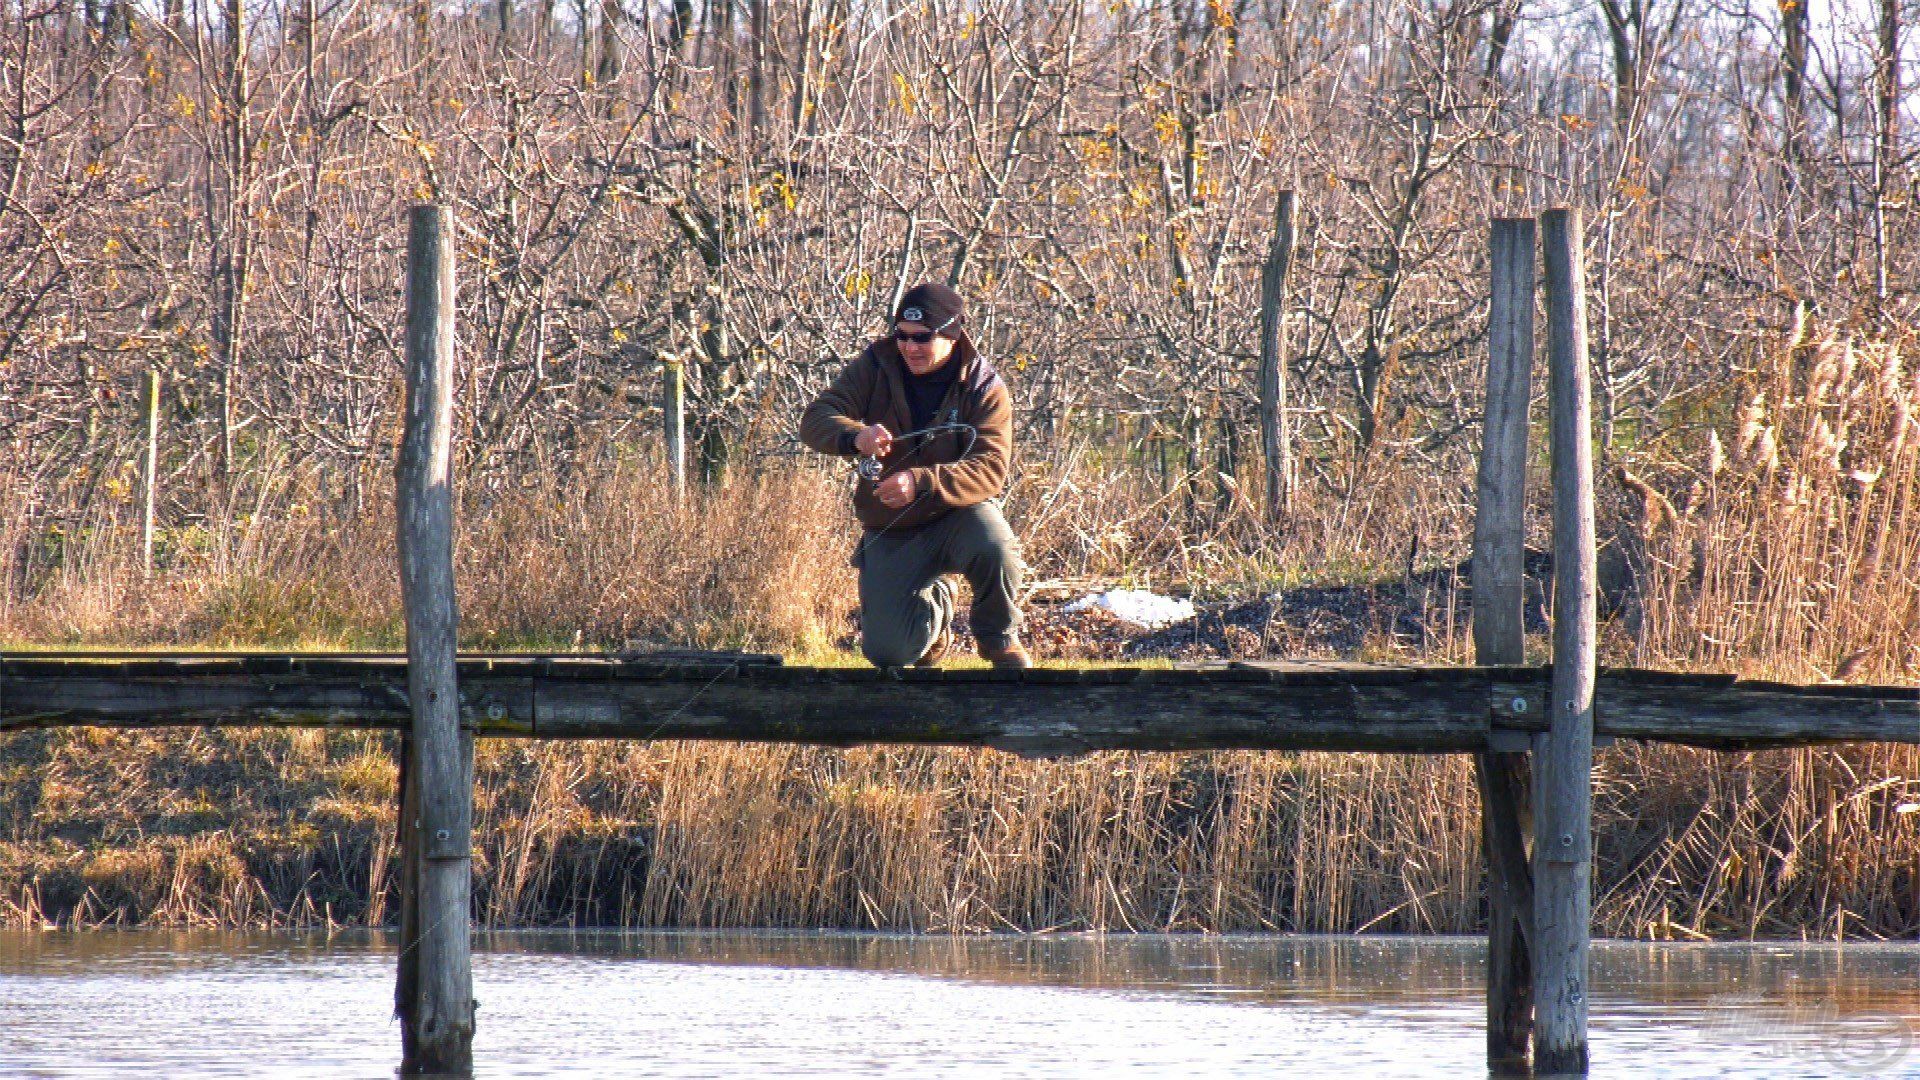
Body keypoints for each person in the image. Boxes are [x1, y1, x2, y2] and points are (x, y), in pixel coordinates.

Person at [799, 283, 1031, 669]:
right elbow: (815, 419)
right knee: (888, 654)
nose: (909, 348)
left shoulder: (983, 386)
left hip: (958, 513)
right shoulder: (875, 365)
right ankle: (936, 619)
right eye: (902, 337)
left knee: (996, 546)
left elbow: (991, 469)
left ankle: (997, 638)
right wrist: (856, 437)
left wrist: (921, 482)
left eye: (923, 338)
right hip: (895, 525)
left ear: (953, 334)